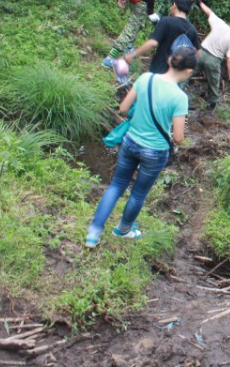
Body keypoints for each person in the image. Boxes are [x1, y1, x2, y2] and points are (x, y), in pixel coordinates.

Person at [85, 47, 198, 248]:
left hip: (130, 142)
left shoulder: (146, 78)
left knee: (117, 184)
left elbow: (123, 108)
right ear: (188, 72)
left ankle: (94, 232)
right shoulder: (180, 98)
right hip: (155, 152)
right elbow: (179, 138)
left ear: (169, 60)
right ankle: (123, 229)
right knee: (138, 193)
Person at [125, 0, 200, 75]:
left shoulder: (166, 21)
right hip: (177, 75)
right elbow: (197, 54)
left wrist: (133, 55)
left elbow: (153, 43)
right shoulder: (192, 29)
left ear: (174, 5)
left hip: (159, 70)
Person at [192, 0, 230, 110]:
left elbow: (209, 12)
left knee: (188, 72)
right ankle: (211, 105)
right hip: (213, 60)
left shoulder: (220, 23)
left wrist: (200, 3)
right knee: (214, 83)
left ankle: (177, 86)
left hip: (201, 52)